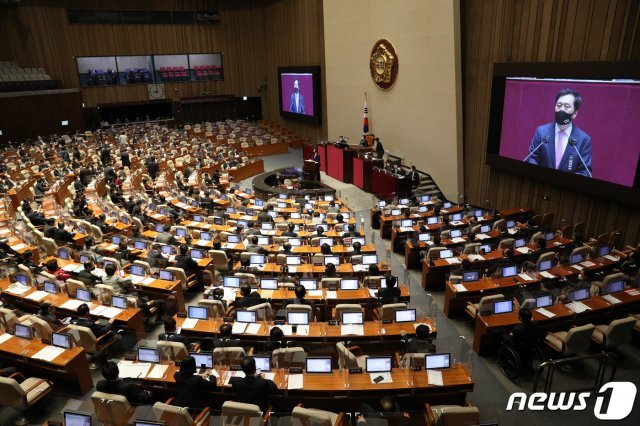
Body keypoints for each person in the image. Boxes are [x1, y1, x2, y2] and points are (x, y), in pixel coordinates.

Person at [526, 88, 592, 177]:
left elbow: (585, 171)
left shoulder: (583, 140)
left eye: (567, 106)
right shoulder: (541, 132)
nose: (561, 110)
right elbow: (531, 158)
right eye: (559, 105)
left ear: (575, 113)